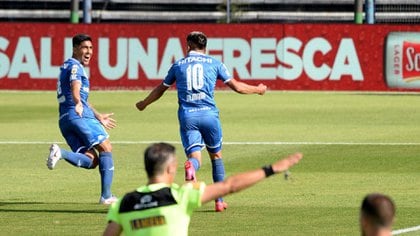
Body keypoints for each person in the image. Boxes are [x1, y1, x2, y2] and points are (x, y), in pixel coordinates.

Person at [135, 31, 267, 212]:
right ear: (205, 46)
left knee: (195, 157)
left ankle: (192, 166)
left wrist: (144, 103)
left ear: (188, 45)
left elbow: (161, 89)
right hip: (209, 116)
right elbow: (237, 87)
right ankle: (219, 201)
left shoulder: (178, 65)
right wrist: (258, 89)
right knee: (216, 157)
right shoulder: (215, 63)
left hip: (188, 116)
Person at [103, 142, 302, 236]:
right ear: (171, 168)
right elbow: (229, 185)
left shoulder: (122, 204)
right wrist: (271, 169)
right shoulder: (179, 196)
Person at [46, 33, 117, 205]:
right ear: (75, 48)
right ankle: (106, 197)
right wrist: (78, 103)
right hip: (78, 115)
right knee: (106, 147)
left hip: (65, 119)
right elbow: (75, 87)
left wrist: (98, 115)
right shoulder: (76, 67)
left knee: (91, 160)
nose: (89, 51)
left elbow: (80, 96)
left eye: (91, 48)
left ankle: (61, 153)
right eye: (85, 47)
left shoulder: (66, 65)